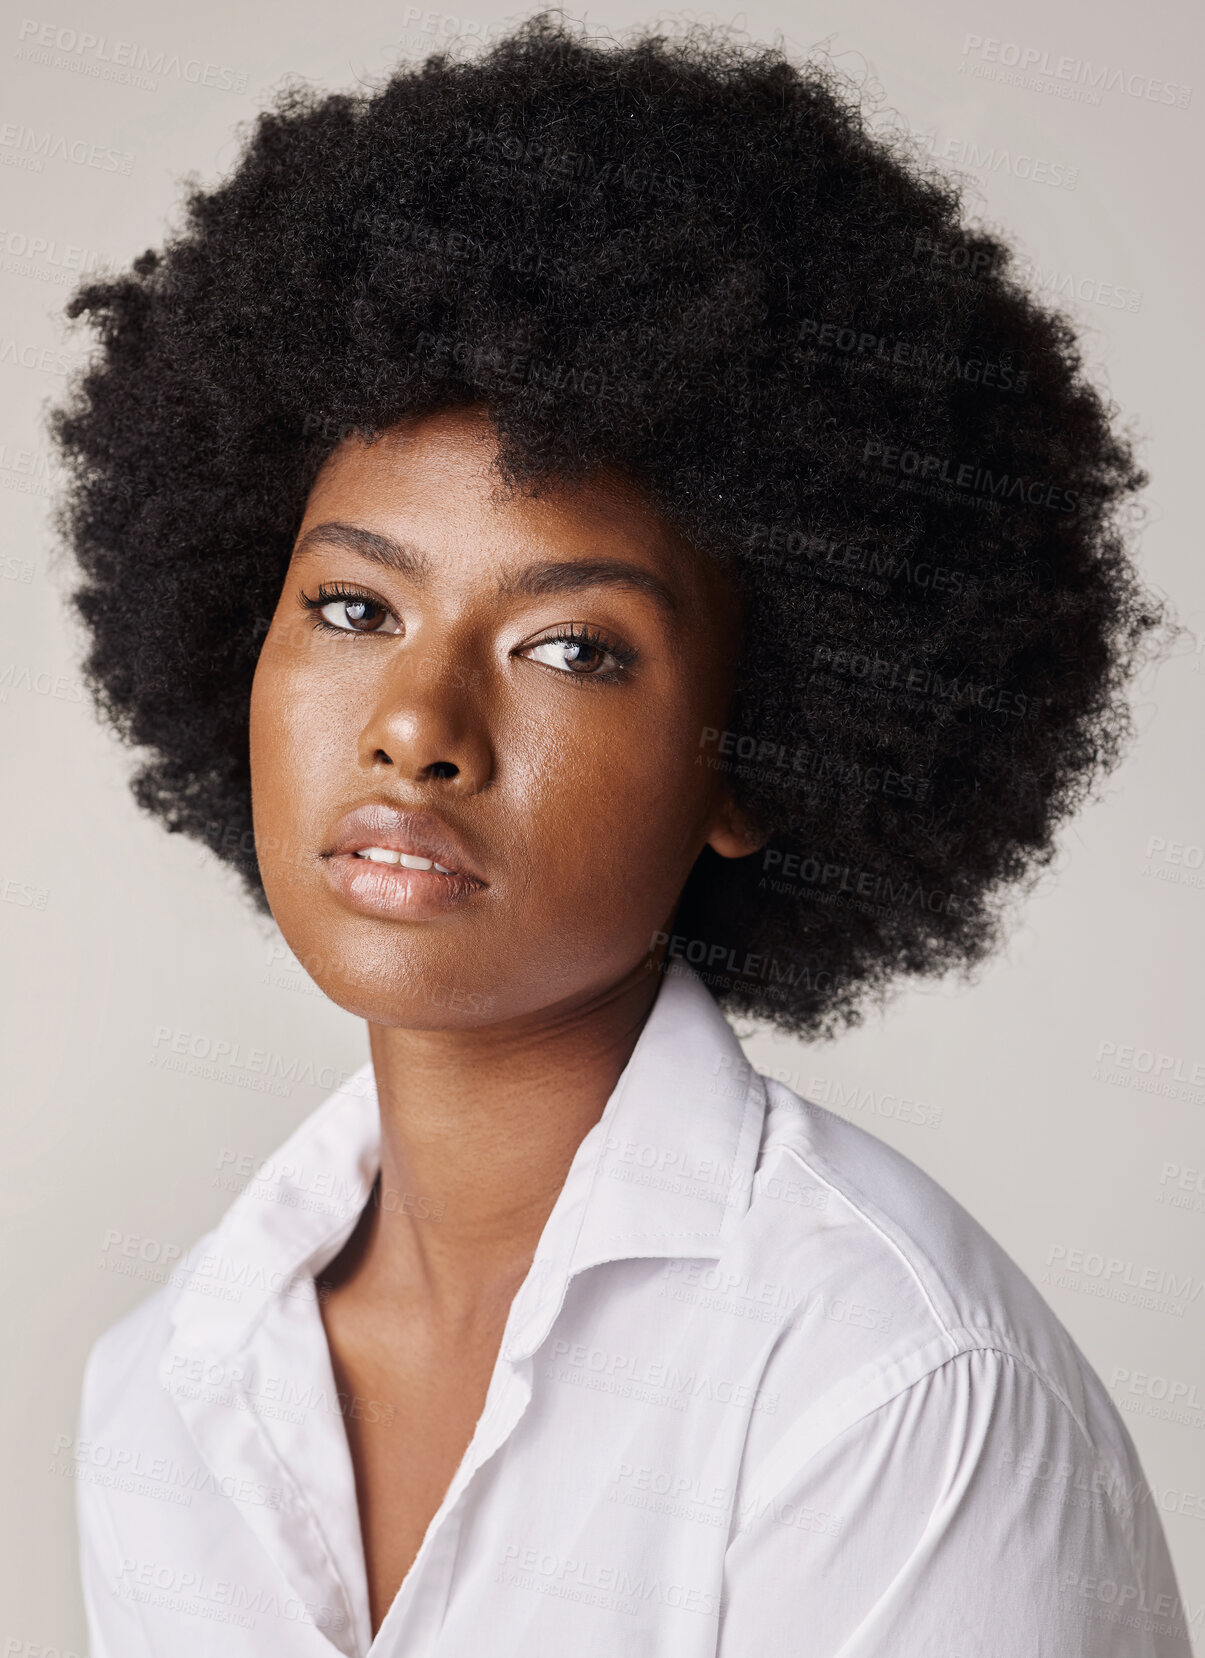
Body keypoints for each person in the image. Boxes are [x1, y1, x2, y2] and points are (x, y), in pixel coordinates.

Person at [54, 14, 1190, 1656]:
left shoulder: (884, 1384)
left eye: (573, 646)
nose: (415, 724)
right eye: (355, 605)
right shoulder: (167, 1386)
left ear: (752, 758)